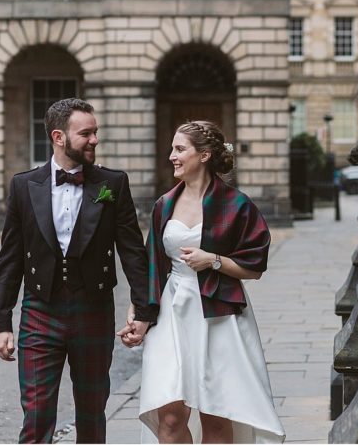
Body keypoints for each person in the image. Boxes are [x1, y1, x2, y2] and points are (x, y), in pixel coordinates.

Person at [0, 98, 155, 443]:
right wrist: (1, 321)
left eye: (96, 132)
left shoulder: (113, 184)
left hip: (93, 311)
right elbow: (11, 257)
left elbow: (132, 252)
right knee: (36, 416)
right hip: (39, 312)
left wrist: (144, 309)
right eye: (86, 133)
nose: (95, 139)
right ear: (59, 137)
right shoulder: (25, 185)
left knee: (92, 413)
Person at [119, 121, 285, 443]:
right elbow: (152, 264)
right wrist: (139, 313)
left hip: (219, 314)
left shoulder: (236, 205)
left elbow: (255, 267)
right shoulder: (164, 204)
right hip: (172, 311)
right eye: (172, 149)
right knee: (168, 414)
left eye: (180, 149)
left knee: (217, 417)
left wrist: (213, 260)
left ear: (205, 155)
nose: (172, 156)